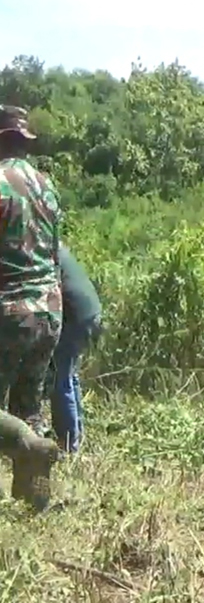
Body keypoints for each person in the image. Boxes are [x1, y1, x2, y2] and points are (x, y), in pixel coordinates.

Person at [0, 104, 64, 510]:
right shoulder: (46, 184)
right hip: (49, 310)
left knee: (14, 419)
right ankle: (33, 504)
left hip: (10, 310)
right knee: (28, 407)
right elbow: (54, 250)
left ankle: (25, 445)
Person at [43, 242, 102, 453]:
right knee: (69, 376)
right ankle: (76, 435)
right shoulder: (53, 244)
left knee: (60, 379)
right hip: (90, 312)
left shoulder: (39, 250)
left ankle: (68, 446)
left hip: (75, 316)